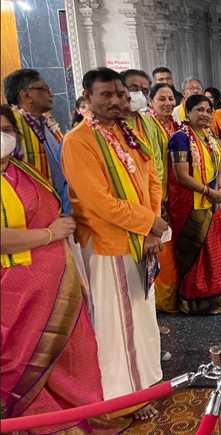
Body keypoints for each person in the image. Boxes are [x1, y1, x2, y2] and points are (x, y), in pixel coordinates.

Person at [0, 105, 127, 433]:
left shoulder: (20, 169)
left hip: (58, 284)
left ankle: (85, 417)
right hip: (16, 295)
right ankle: (45, 424)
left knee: (75, 356)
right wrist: (48, 234)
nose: (3, 137)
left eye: (6, 129)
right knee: (25, 364)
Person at [61, 67, 165, 419]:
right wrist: (149, 221)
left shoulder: (127, 132)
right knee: (117, 326)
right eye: (107, 95)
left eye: (120, 95)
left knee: (141, 316)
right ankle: (124, 399)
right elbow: (98, 202)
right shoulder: (78, 140)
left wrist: (151, 228)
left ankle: (146, 382)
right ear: (87, 99)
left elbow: (152, 178)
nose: (117, 101)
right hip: (109, 245)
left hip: (140, 240)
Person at [167, 95, 221, 314]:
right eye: (199, 110)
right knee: (198, 251)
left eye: (208, 111)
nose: (204, 114)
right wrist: (209, 192)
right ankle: (198, 300)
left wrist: (220, 190)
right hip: (190, 204)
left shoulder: (208, 136)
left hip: (211, 200)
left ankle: (218, 293)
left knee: (214, 248)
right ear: (188, 112)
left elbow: (219, 166)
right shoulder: (180, 138)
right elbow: (182, 176)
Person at [3, 69, 70, 213]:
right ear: (26, 95)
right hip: (31, 211)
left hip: (61, 206)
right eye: (44, 89)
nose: (51, 94)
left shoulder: (46, 124)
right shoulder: (11, 128)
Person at [147, 83, 183, 314]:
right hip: (160, 197)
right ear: (151, 101)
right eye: (162, 99)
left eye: (171, 98)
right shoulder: (149, 125)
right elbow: (153, 165)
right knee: (165, 251)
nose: (168, 103)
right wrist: (160, 200)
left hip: (178, 195)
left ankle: (175, 297)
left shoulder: (173, 124)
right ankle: (164, 302)